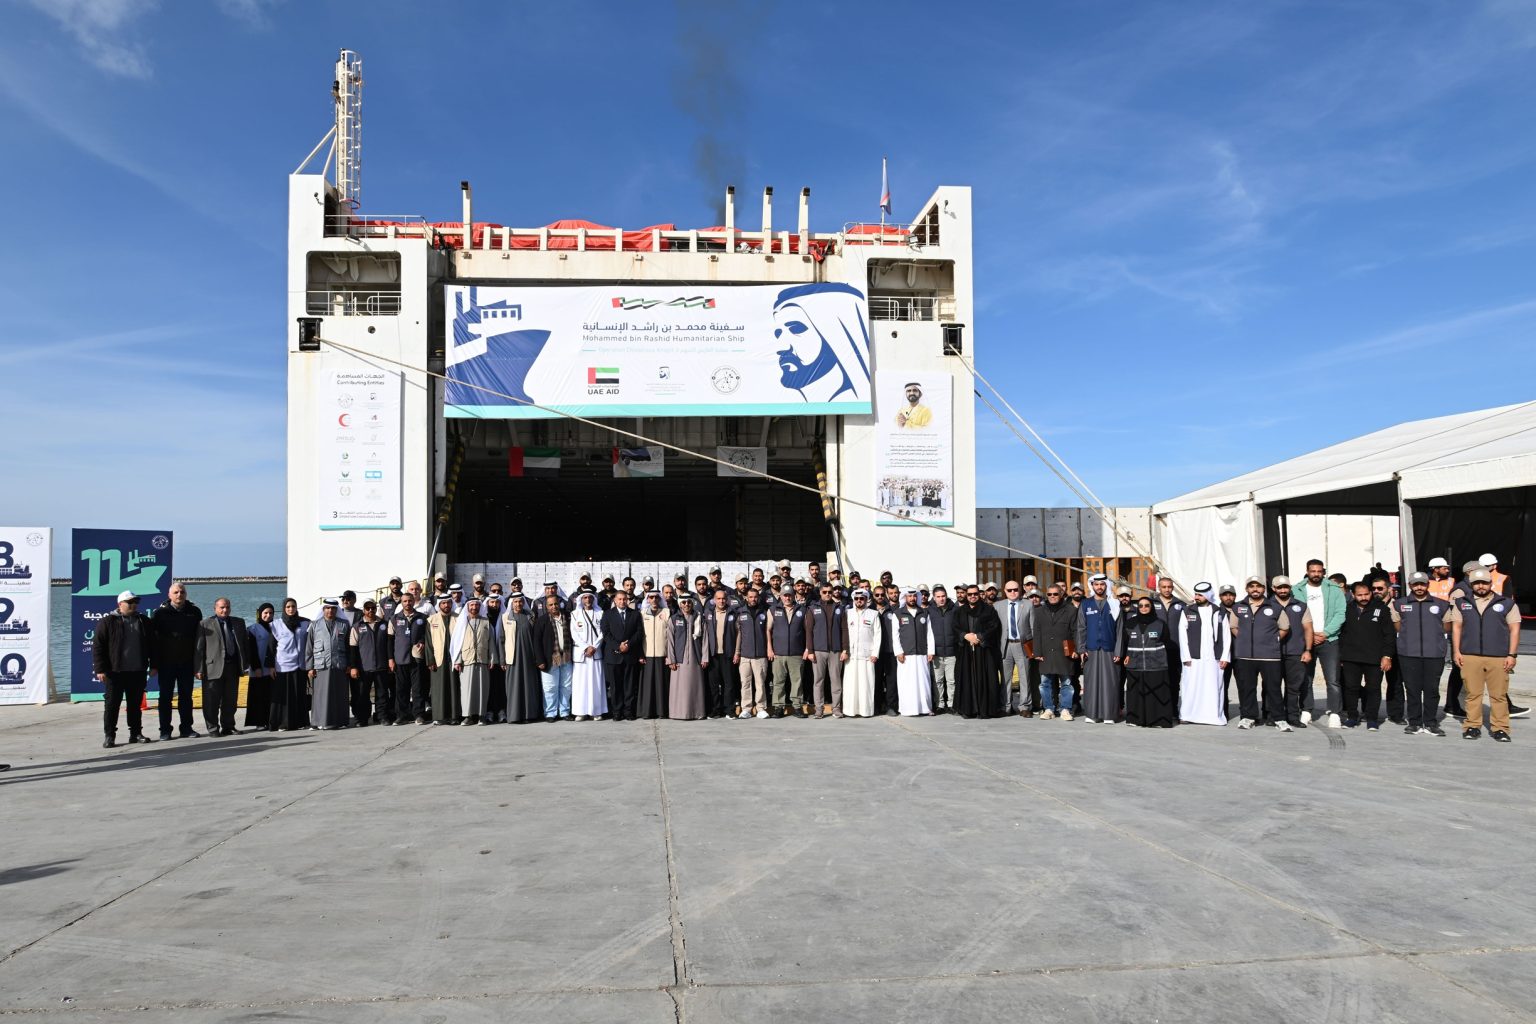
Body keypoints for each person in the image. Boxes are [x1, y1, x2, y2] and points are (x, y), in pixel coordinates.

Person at [1449, 567, 1520, 742]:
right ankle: (1472, 726)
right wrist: (1456, 651)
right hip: (1470, 655)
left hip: (1499, 656)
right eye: (1476, 583)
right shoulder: (1461, 603)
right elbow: (1456, 628)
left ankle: (1500, 729)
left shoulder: (1506, 603)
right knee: (1473, 694)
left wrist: (1512, 655)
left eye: (1484, 582)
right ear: (1471, 584)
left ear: (1490, 583)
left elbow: (1514, 630)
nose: (1480, 586)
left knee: (1499, 695)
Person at [92, 590, 156, 748]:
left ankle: (135, 733)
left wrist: (154, 665)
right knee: (112, 705)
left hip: (137, 671)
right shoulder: (108, 621)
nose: (133, 605)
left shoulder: (143, 621)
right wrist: (100, 669)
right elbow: (98, 646)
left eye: (135, 602)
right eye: (130, 602)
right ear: (120, 604)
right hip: (115, 672)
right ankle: (110, 736)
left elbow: (153, 645)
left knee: (135, 705)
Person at [1229, 576, 1289, 730]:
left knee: (1273, 688)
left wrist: (1273, 640)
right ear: (1246, 589)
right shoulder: (1238, 607)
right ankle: (1248, 717)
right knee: (1247, 688)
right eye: (1251, 586)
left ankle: (1279, 718)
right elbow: (1233, 627)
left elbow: (1284, 627)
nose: (1255, 589)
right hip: (1245, 656)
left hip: (1270, 656)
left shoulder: (1275, 607)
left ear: (1264, 588)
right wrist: (1244, 639)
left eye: (1258, 586)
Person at [1396, 571, 1451, 736]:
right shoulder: (1399, 604)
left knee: (1431, 690)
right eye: (1415, 584)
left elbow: (1447, 626)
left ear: (1428, 585)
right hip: (1408, 653)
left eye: (1422, 584)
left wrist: (1432, 637)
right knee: (1412, 689)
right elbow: (1397, 625)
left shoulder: (1442, 604)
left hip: (1434, 654)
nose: (1419, 587)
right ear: (1410, 585)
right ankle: (1414, 722)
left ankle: (1430, 723)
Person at [1338, 581, 1395, 731]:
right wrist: (1341, 656)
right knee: (1351, 688)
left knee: (1373, 688)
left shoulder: (1381, 609)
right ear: (1353, 595)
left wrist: (1387, 656)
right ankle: (1352, 717)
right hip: (1351, 657)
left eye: (1366, 594)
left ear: (1371, 593)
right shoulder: (1346, 609)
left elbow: (1389, 635)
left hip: (1374, 658)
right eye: (1360, 595)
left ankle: (1372, 719)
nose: (1363, 598)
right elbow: (1341, 634)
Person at [151, 582, 203, 740]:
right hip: (166, 663)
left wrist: (199, 665)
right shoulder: (160, 613)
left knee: (186, 697)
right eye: (176, 592)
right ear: (169, 595)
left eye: (182, 592)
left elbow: (200, 640)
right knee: (165, 698)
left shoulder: (194, 612)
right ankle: (165, 730)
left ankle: (186, 728)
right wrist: (154, 665)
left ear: (186, 594)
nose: (179, 594)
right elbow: (153, 641)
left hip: (187, 663)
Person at [1298, 559, 1346, 728]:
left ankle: (1334, 713)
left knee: (1333, 679)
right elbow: (1294, 615)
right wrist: (1310, 635)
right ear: (1307, 571)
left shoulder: (1334, 589)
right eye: (1313, 571)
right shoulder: (1297, 590)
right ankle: (1306, 710)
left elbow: (1340, 613)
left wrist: (1325, 633)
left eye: (1319, 571)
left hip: (1329, 639)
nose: (1316, 574)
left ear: (1323, 572)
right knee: (1306, 678)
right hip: (1306, 640)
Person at [193, 597, 249, 737]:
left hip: (233, 667)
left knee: (230, 700)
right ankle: (213, 728)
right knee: (211, 701)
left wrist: (246, 665)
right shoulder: (205, 624)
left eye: (227, 607)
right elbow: (199, 649)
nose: (225, 610)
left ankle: (228, 726)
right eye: (222, 607)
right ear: (215, 608)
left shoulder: (238, 622)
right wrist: (198, 669)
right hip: (212, 668)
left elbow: (244, 645)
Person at [1119, 595, 1175, 728]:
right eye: (1141, 606)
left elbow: (1166, 642)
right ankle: (1135, 719)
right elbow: (1125, 643)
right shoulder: (1130, 624)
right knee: (1135, 694)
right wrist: (1126, 656)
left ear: (1151, 607)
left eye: (1147, 605)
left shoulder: (1160, 624)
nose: (1143, 608)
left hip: (1156, 665)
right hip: (1135, 664)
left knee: (1157, 694)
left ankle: (1159, 721)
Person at [1177, 583, 1229, 726]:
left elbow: (1226, 636)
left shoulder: (1220, 611)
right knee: (1190, 686)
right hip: (1193, 658)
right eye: (1196, 594)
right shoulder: (1187, 611)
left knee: (1214, 687)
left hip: (1214, 658)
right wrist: (1185, 656)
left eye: (1200, 595)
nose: (1196, 597)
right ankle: (1187, 715)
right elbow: (1182, 635)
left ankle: (1213, 716)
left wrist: (1225, 656)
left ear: (1208, 595)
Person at [1270, 576, 1313, 731]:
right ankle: (1271, 716)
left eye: (1286, 587)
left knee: (1293, 687)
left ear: (1290, 588)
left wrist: (1308, 650)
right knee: (1271, 686)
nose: (1283, 590)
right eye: (1279, 587)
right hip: (1272, 653)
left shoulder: (1301, 606)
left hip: (1295, 651)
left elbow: (1308, 628)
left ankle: (1292, 716)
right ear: (1273, 588)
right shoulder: (1266, 605)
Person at [1076, 574, 1121, 723]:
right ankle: (1092, 715)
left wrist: (1118, 650)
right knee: (1091, 682)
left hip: (1110, 649)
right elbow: (1081, 628)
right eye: (1096, 584)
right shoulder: (1085, 604)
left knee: (1110, 683)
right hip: (1091, 649)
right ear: (1092, 586)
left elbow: (1120, 630)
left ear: (1106, 585)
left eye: (1102, 584)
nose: (1099, 587)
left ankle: (1109, 715)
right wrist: (1081, 649)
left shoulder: (1114, 603)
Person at [954, 584, 1002, 718]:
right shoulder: (960, 611)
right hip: (966, 651)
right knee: (967, 679)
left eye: (975, 594)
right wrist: (965, 635)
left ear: (979, 594)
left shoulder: (988, 610)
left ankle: (984, 710)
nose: (973, 596)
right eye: (970, 594)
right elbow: (955, 627)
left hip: (984, 650)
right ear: (966, 595)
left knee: (985, 679)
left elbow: (994, 626)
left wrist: (979, 636)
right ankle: (968, 709)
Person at [1032, 584, 1077, 720]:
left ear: (1061, 594)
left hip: (1064, 653)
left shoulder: (1071, 610)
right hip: (1045, 653)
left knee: (1066, 683)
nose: (1052, 596)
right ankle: (1048, 709)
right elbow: (1037, 633)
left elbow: (1076, 631)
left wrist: (1076, 649)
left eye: (1055, 594)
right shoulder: (1039, 611)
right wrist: (1037, 652)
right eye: (1050, 594)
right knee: (1045, 683)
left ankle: (1065, 709)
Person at [804, 582, 848, 719]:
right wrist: (810, 651)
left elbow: (844, 630)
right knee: (818, 681)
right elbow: (809, 631)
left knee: (836, 681)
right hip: (818, 650)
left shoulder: (839, 608)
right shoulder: (812, 608)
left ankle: (836, 709)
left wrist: (845, 649)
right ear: (820, 593)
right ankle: (819, 709)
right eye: (825, 592)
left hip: (836, 650)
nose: (828, 594)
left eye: (830, 592)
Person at [306, 598, 352, 730]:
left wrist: (350, 664)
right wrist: (310, 667)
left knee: (339, 695)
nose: (330, 610)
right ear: (323, 609)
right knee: (321, 695)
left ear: (337, 610)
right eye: (327, 608)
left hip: (340, 665)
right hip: (321, 666)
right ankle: (319, 721)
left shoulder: (344, 624)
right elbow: (309, 647)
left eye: (333, 608)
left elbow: (349, 647)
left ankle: (339, 721)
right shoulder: (314, 625)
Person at [499, 594, 545, 723]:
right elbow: (501, 640)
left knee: (529, 686)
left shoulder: (530, 616)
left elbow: (536, 637)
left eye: (520, 602)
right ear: (511, 603)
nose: (518, 604)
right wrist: (502, 659)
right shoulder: (505, 618)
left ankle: (529, 715)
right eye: (515, 602)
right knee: (514, 687)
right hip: (512, 659)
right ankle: (515, 716)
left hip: (529, 657)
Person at [387, 591, 429, 726]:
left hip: (417, 659)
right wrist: (390, 659)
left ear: (414, 601)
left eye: (410, 601)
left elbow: (427, 636)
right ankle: (402, 716)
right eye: (404, 601)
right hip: (401, 659)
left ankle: (419, 715)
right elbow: (390, 640)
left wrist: (422, 641)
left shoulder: (422, 617)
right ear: (401, 603)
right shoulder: (394, 619)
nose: (407, 603)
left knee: (418, 689)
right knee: (401, 689)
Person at [891, 588, 935, 716]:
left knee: (923, 683)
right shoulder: (898, 614)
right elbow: (895, 636)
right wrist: (898, 652)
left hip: (922, 654)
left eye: (914, 596)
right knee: (906, 683)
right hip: (905, 655)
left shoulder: (924, 613)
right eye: (909, 596)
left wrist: (931, 651)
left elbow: (929, 634)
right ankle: (907, 709)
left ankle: (925, 708)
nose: (912, 598)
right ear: (905, 598)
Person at [767, 584, 808, 717]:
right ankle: (778, 707)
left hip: (797, 653)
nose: (787, 598)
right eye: (785, 595)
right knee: (778, 682)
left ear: (793, 596)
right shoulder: (773, 610)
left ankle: (797, 707)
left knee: (797, 681)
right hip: (778, 653)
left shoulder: (802, 610)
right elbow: (768, 630)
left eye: (789, 595)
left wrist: (807, 648)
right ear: (780, 596)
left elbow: (808, 631)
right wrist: (769, 648)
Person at [453, 597, 496, 725]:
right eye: (471, 605)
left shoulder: (486, 622)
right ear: (467, 607)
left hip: (482, 660)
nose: (474, 608)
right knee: (467, 690)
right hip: (466, 661)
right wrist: (457, 660)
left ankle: (482, 716)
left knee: (482, 689)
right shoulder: (462, 622)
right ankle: (468, 716)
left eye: (476, 605)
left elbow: (491, 641)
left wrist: (492, 658)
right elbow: (457, 643)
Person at [270, 598, 311, 732]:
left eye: (293, 606)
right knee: (285, 696)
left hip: (300, 664)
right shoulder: (276, 624)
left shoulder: (305, 623)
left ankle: (301, 722)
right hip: (283, 665)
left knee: (300, 694)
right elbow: (271, 647)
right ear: (284, 608)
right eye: (288, 607)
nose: (291, 609)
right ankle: (284, 723)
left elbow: (310, 642)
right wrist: (271, 666)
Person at [601, 590, 642, 721]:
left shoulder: (635, 614)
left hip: (630, 655)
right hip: (614, 656)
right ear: (615, 600)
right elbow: (606, 633)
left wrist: (628, 644)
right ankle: (617, 711)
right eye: (619, 599)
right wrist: (618, 646)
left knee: (629, 686)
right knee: (615, 686)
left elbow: (639, 632)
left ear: (627, 600)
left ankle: (628, 711)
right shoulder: (607, 614)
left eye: (624, 599)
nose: (622, 601)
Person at [348, 600, 390, 728]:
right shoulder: (357, 626)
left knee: (382, 694)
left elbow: (389, 645)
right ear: (363, 610)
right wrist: (353, 667)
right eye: (367, 608)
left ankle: (382, 717)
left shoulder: (384, 624)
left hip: (381, 666)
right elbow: (353, 648)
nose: (370, 610)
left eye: (373, 608)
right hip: (364, 667)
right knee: (362, 695)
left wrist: (390, 660)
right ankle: (362, 719)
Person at [667, 593, 708, 720]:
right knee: (679, 687)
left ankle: (696, 713)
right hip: (679, 659)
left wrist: (705, 657)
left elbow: (705, 639)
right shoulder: (674, 619)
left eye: (689, 602)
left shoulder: (699, 618)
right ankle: (678, 713)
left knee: (695, 687)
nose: (686, 605)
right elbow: (670, 641)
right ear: (680, 604)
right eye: (684, 602)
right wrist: (671, 660)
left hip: (696, 658)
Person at [533, 595, 574, 721]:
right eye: (550, 605)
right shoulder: (542, 620)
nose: (554, 607)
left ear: (559, 604)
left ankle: (564, 712)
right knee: (550, 687)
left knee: (566, 686)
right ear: (546, 606)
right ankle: (550, 713)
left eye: (555, 604)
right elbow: (536, 642)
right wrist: (540, 660)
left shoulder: (568, 617)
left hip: (566, 657)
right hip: (549, 659)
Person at [842, 588, 881, 717]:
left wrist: (875, 653)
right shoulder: (848, 613)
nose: (859, 601)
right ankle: (850, 711)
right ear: (853, 600)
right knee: (851, 685)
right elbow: (844, 634)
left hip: (867, 656)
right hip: (851, 656)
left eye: (862, 598)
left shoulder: (873, 614)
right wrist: (844, 650)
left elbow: (878, 635)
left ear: (866, 599)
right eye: (857, 599)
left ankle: (866, 711)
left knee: (866, 685)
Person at [997, 580, 1033, 717]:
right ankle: (1006, 706)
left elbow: (1033, 627)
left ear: (1020, 590)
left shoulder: (1028, 604)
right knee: (1005, 678)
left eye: (1015, 589)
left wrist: (1032, 646)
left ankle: (1024, 706)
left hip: (1022, 645)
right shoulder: (998, 606)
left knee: (1025, 677)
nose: (1013, 592)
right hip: (1005, 645)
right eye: (1009, 590)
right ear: (1005, 591)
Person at [570, 591, 607, 721]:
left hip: (596, 653)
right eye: (585, 597)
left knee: (596, 683)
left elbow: (603, 632)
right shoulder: (574, 614)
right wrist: (586, 647)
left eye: (590, 597)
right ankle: (580, 712)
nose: (587, 600)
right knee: (581, 684)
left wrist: (594, 647)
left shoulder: (600, 613)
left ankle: (596, 711)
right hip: (582, 654)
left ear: (593, 599)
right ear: (581, 599)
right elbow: (574, 633)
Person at [735, 588, 771, 719]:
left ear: (758, 598)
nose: (753, 599)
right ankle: (746, 709)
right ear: (746, 598)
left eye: (755, 597)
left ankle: (760, 708)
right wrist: (737, 652)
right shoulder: (740, 612)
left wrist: (768, 649)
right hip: (745, 655)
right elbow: (738, 634)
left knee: (760, 683)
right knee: (745, 683)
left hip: (760, 655)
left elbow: (768, 632)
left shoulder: (764, 612)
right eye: (750, 597)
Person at [702, 589, 739, 717]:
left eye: (723, 598)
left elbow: (739, 633)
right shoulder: (708, 613)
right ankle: (715, 710)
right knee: (713, 685)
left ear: (727, 599)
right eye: (718, 598)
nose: (721, 601)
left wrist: (737, 652)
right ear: (714, 600)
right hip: (713, 654)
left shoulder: (733, 613)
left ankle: (729, 710)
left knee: (728, 684)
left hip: (728, 653)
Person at [425, 596, 460, 725]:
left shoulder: (459, 618)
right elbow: (428, 642)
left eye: (448, 603)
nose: (446, 605)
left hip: (454, 658)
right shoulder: (431, 620)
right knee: (438, 688)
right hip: (438, 659)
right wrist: (430, 660)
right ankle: (439, 717)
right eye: (443, 603)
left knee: (454, 687)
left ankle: (454, 716)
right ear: (439, 605)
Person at [637, 591, 671, 719]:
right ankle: (647, 712)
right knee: (648, 686)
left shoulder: (666, 612)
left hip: (663, 654)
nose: (654, 599)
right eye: (651, 597)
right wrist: (641, 654)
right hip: (647, 654)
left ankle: (662, 711)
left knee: (661, 685)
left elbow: (670, 635)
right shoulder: (642, 614)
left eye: (657, 597)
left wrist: (669, 654)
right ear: (647, 599)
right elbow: (639, 635)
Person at [244, 602, 277, 731]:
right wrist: (256, 667)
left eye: (271, 613)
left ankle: (271, 720)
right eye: (265, 613)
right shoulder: (253, 629)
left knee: (270, 695)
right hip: (259, 669)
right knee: (258, 696)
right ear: (260, 614)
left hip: (272, 669)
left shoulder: (276, 627)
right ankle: (259, 721)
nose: (268, 615)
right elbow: (251, 650)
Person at [928, 585, 958, 712]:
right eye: (938, 597)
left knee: (951, 680)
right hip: (936, 653)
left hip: (951, 652)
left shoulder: (954, 609)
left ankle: (951, 704)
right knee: (937, 681)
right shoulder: (929, 611)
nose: (941, 599)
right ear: (934, 598)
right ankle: (940, 704)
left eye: (943, 596)